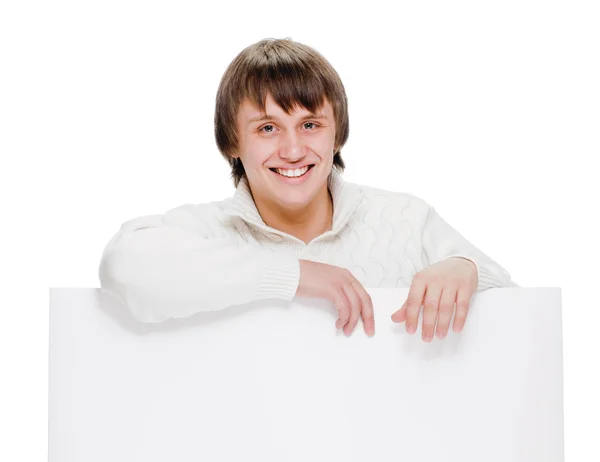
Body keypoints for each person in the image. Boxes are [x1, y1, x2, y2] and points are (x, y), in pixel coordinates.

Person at [98, 37, 518, 342]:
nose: (294, 149)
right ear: (232, 143)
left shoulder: (405, 220)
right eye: (267, 128)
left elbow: (516, 310)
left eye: (311, 125)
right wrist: (295, 275)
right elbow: (123, 265)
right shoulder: (208, 228)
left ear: (338, 134)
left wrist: (466, 267)